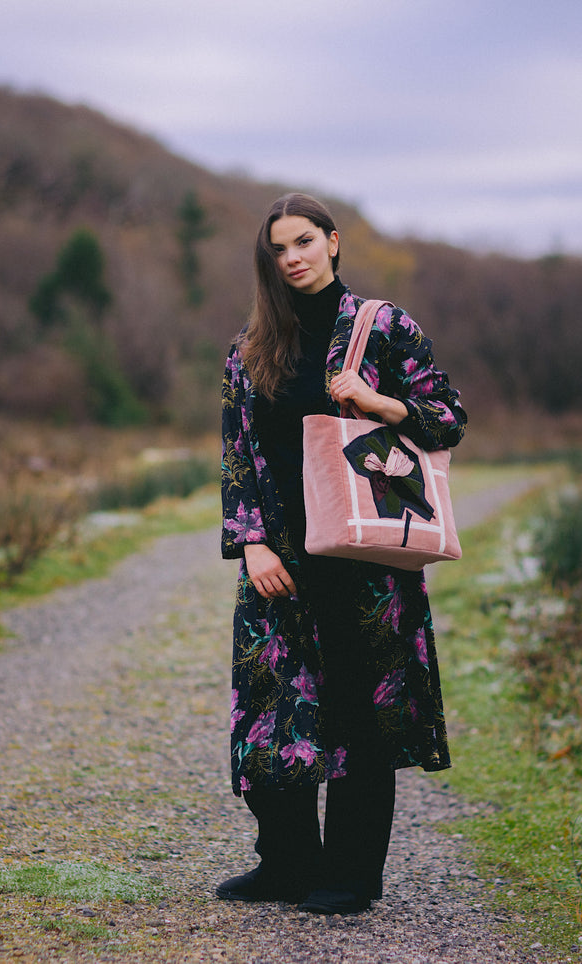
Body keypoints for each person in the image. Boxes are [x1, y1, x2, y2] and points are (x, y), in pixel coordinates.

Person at [217, 193, 467, 915]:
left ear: (332, 242)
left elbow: (447, 416)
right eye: (278, 249)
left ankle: (352, 875)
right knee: (269, 712)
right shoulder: (251, 347)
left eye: (303, 241)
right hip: (280, 559)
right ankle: (287, 863)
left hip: (365, 555)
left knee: (360, 713)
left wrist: (379, 403)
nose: (291, 257)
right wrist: (251, 542)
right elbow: (237, 451)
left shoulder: (381, 327)